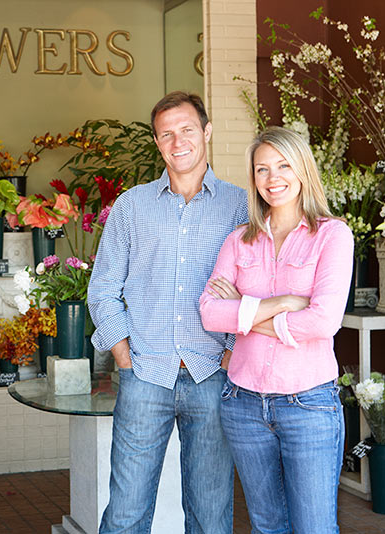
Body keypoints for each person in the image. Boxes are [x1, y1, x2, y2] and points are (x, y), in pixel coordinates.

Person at [88, 91, 247, 534]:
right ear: (158, 143)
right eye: (166, 135)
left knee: (212, 515)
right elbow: (102, 289)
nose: (178, 142)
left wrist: (232, 354)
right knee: (125, 513)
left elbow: (255, 288)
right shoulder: (131, 206)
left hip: (212, 376)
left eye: (187, 130)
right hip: (145, 375)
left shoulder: (239, 205)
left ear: (207, 132)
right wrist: (124, 356)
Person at [199, 126, 353, 533]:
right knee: (267, 527)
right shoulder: (239, 241)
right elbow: (210, 314)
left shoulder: (332, 236)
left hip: (309, 405)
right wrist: (283, 305)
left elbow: (324, 321)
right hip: (243, 403)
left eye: (283, 165)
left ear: (302, 169)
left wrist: (245, 316)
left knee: (315, 527)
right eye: (262, 169)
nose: (273, 178)